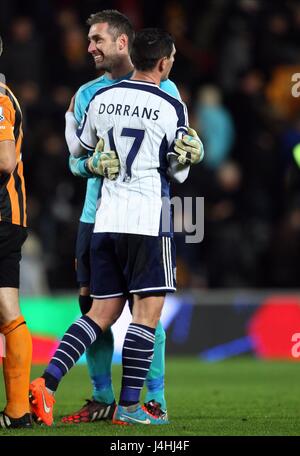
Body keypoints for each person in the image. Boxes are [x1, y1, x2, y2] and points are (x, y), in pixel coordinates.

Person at [29, 27, 202, 426]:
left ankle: (48, 383)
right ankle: (129, 406)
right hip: (147, 219)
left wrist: (95, 163)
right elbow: (177, 174)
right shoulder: (170, 105)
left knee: (98, 314)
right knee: (146, 315)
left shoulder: (101, 99)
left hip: (104, 219)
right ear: (163, 62)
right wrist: (194, 155)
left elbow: (81, 149)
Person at [0, 35, 32, 429]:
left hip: (1, 213)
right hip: (11, 216)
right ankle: (18, 412)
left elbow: (5, 161)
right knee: (8, 311)